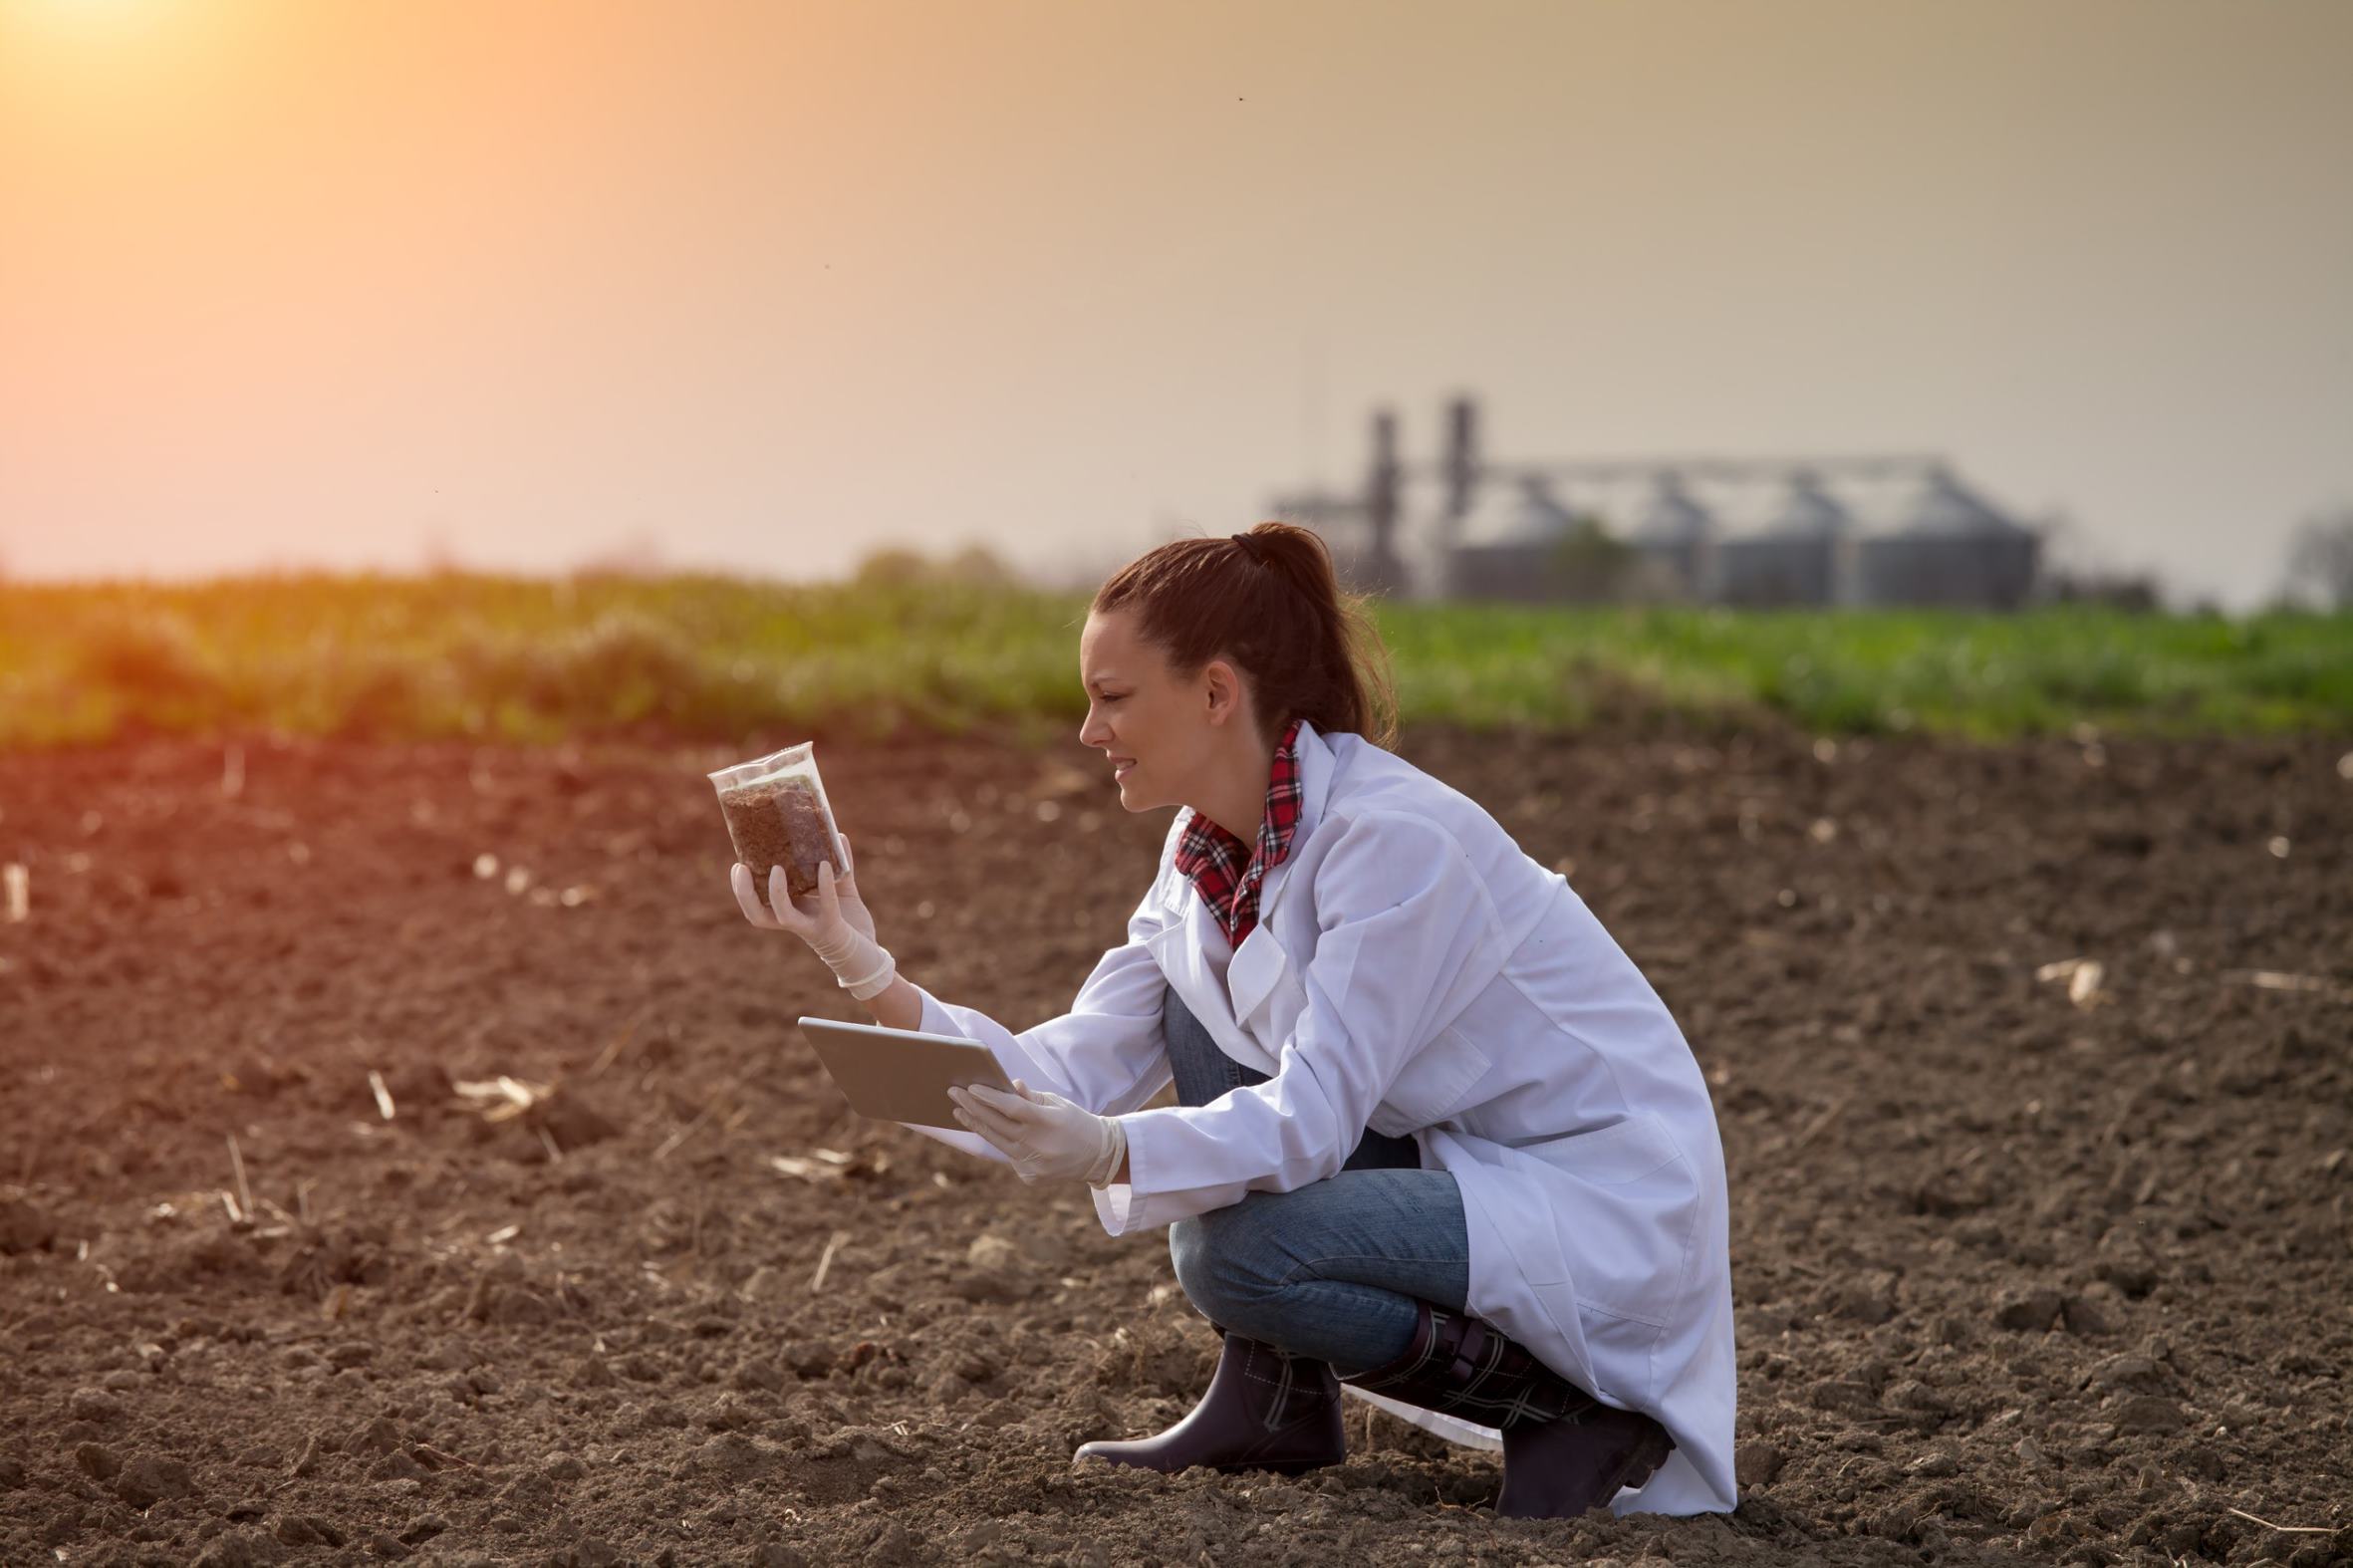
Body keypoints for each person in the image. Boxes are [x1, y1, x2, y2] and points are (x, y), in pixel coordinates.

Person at [728, 522, 1735, 1518]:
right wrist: (858, 957)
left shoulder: (1392, 840)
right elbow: (1062, 1072)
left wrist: (1113, 1149)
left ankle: (1564, 1413)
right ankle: (1276, 1403)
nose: (1088, 732)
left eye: (1111, 698)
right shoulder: (1203, 854)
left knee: (1236, 1253)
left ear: (1215, 692)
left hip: (1598, 1189)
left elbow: (1310, 1119)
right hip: (1466, 1156)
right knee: (1199, 1008)